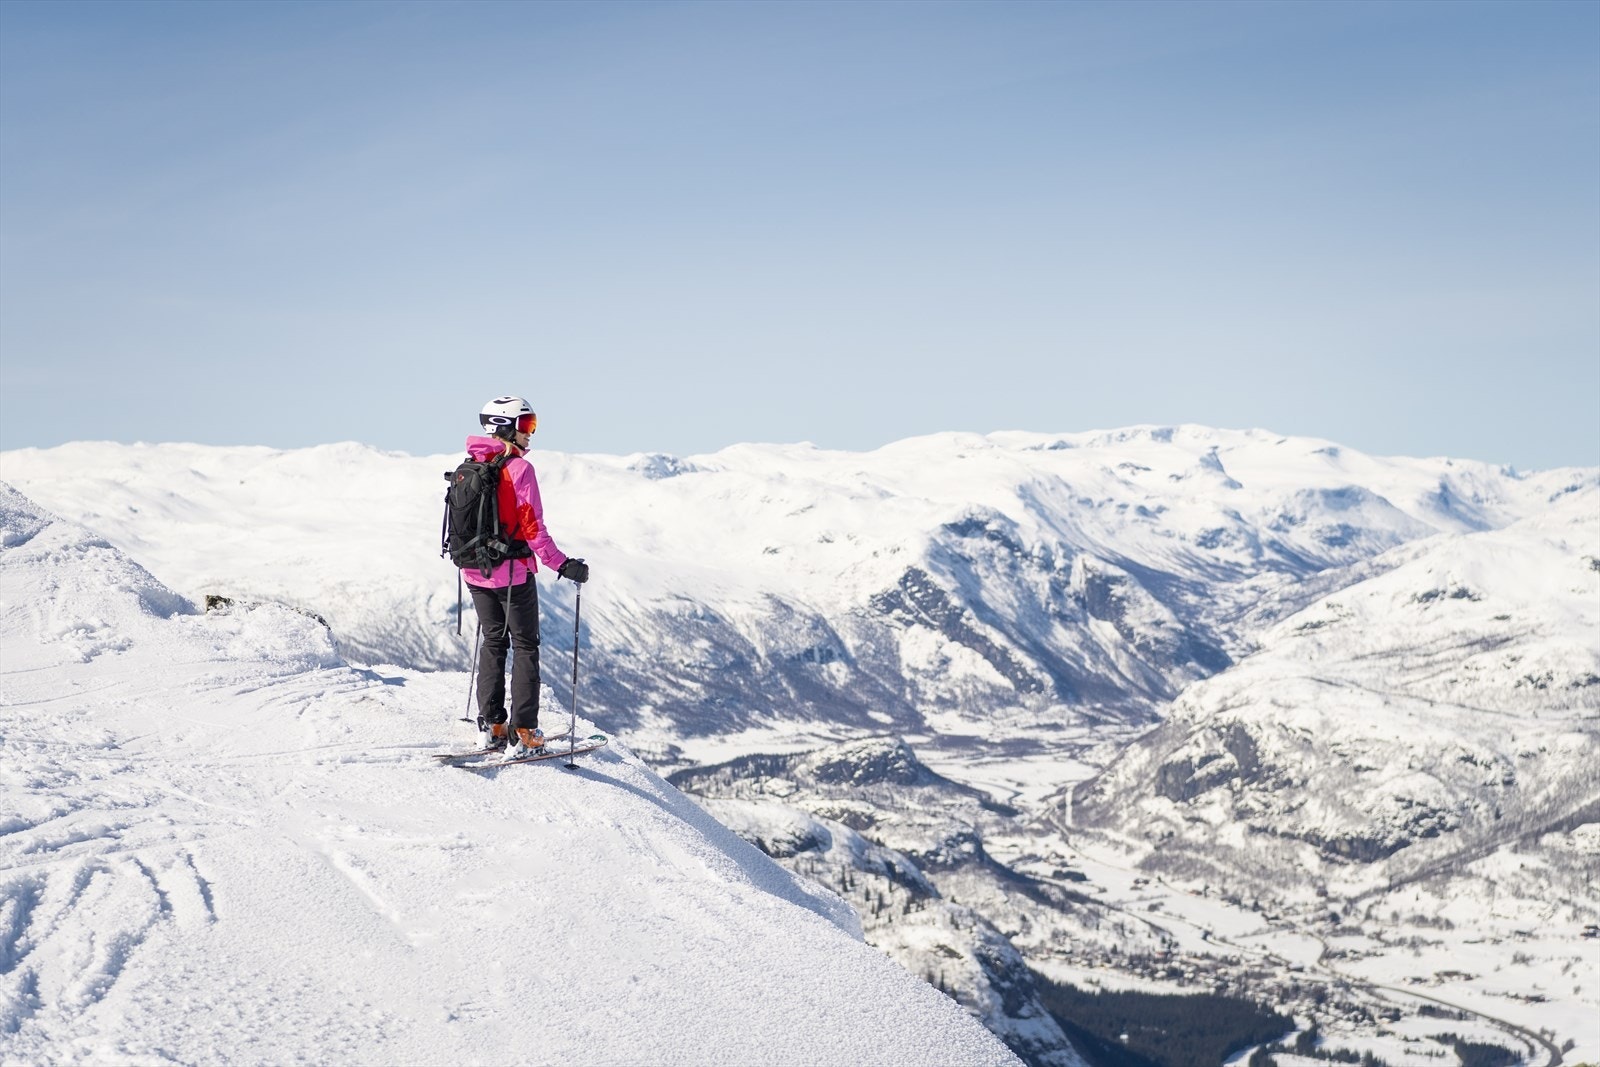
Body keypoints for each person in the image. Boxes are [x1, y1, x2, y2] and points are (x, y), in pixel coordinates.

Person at [461, 395, 589, 758]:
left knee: (493, 642)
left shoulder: (470, 466)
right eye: (526, 424)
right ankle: (524, 732)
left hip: (474, 571)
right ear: (506, 427)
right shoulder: (519, 469)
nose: (531, 432)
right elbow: (533, 528)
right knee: (525, 646)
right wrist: (561, 564)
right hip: (512, 573)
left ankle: (492, 726)